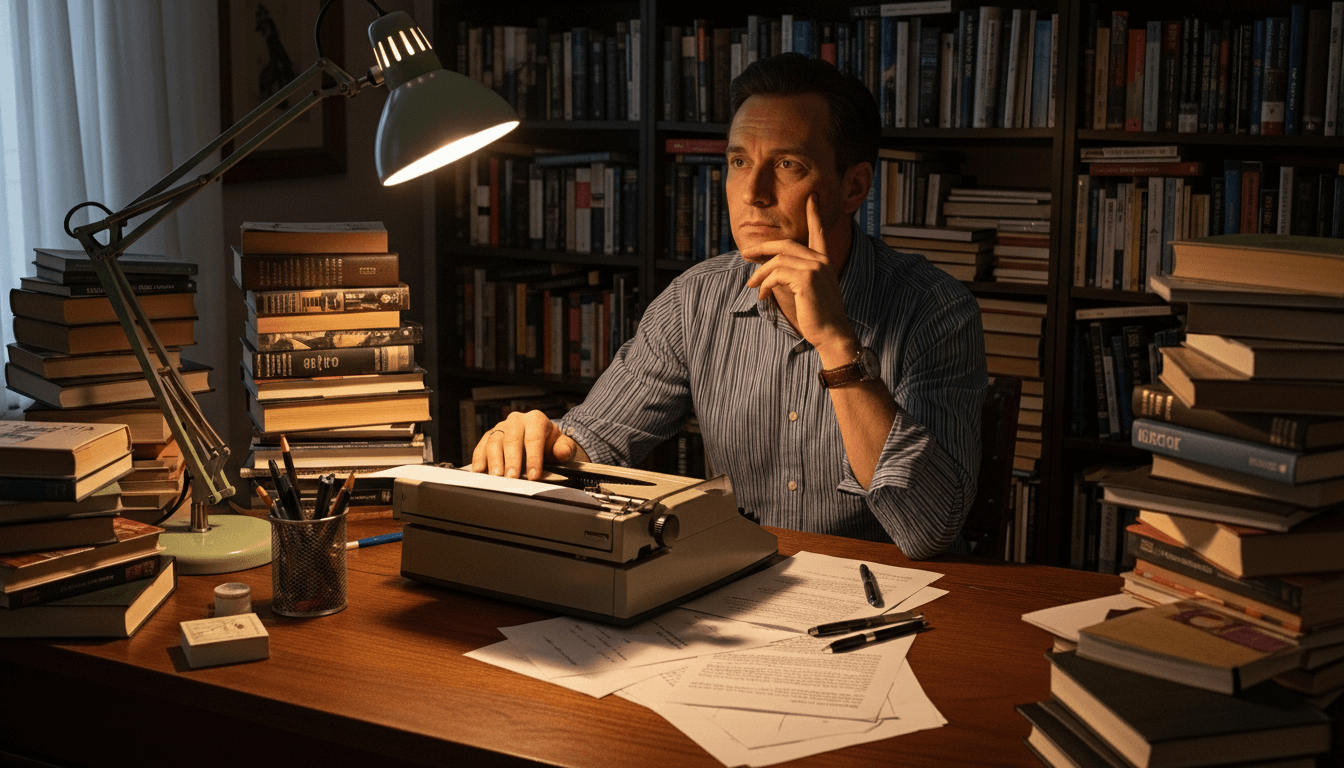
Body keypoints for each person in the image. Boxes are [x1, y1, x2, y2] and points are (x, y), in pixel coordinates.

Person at [472, 53, 986, 559]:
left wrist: (836, 343)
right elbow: (598, 440)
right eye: (739, 162)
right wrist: (538, 440)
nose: (754, 193)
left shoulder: (935, 309)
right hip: (741, 587)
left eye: (787, 164)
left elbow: (931, 531)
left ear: (854, 187)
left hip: (888, 603)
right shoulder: (694, 300)